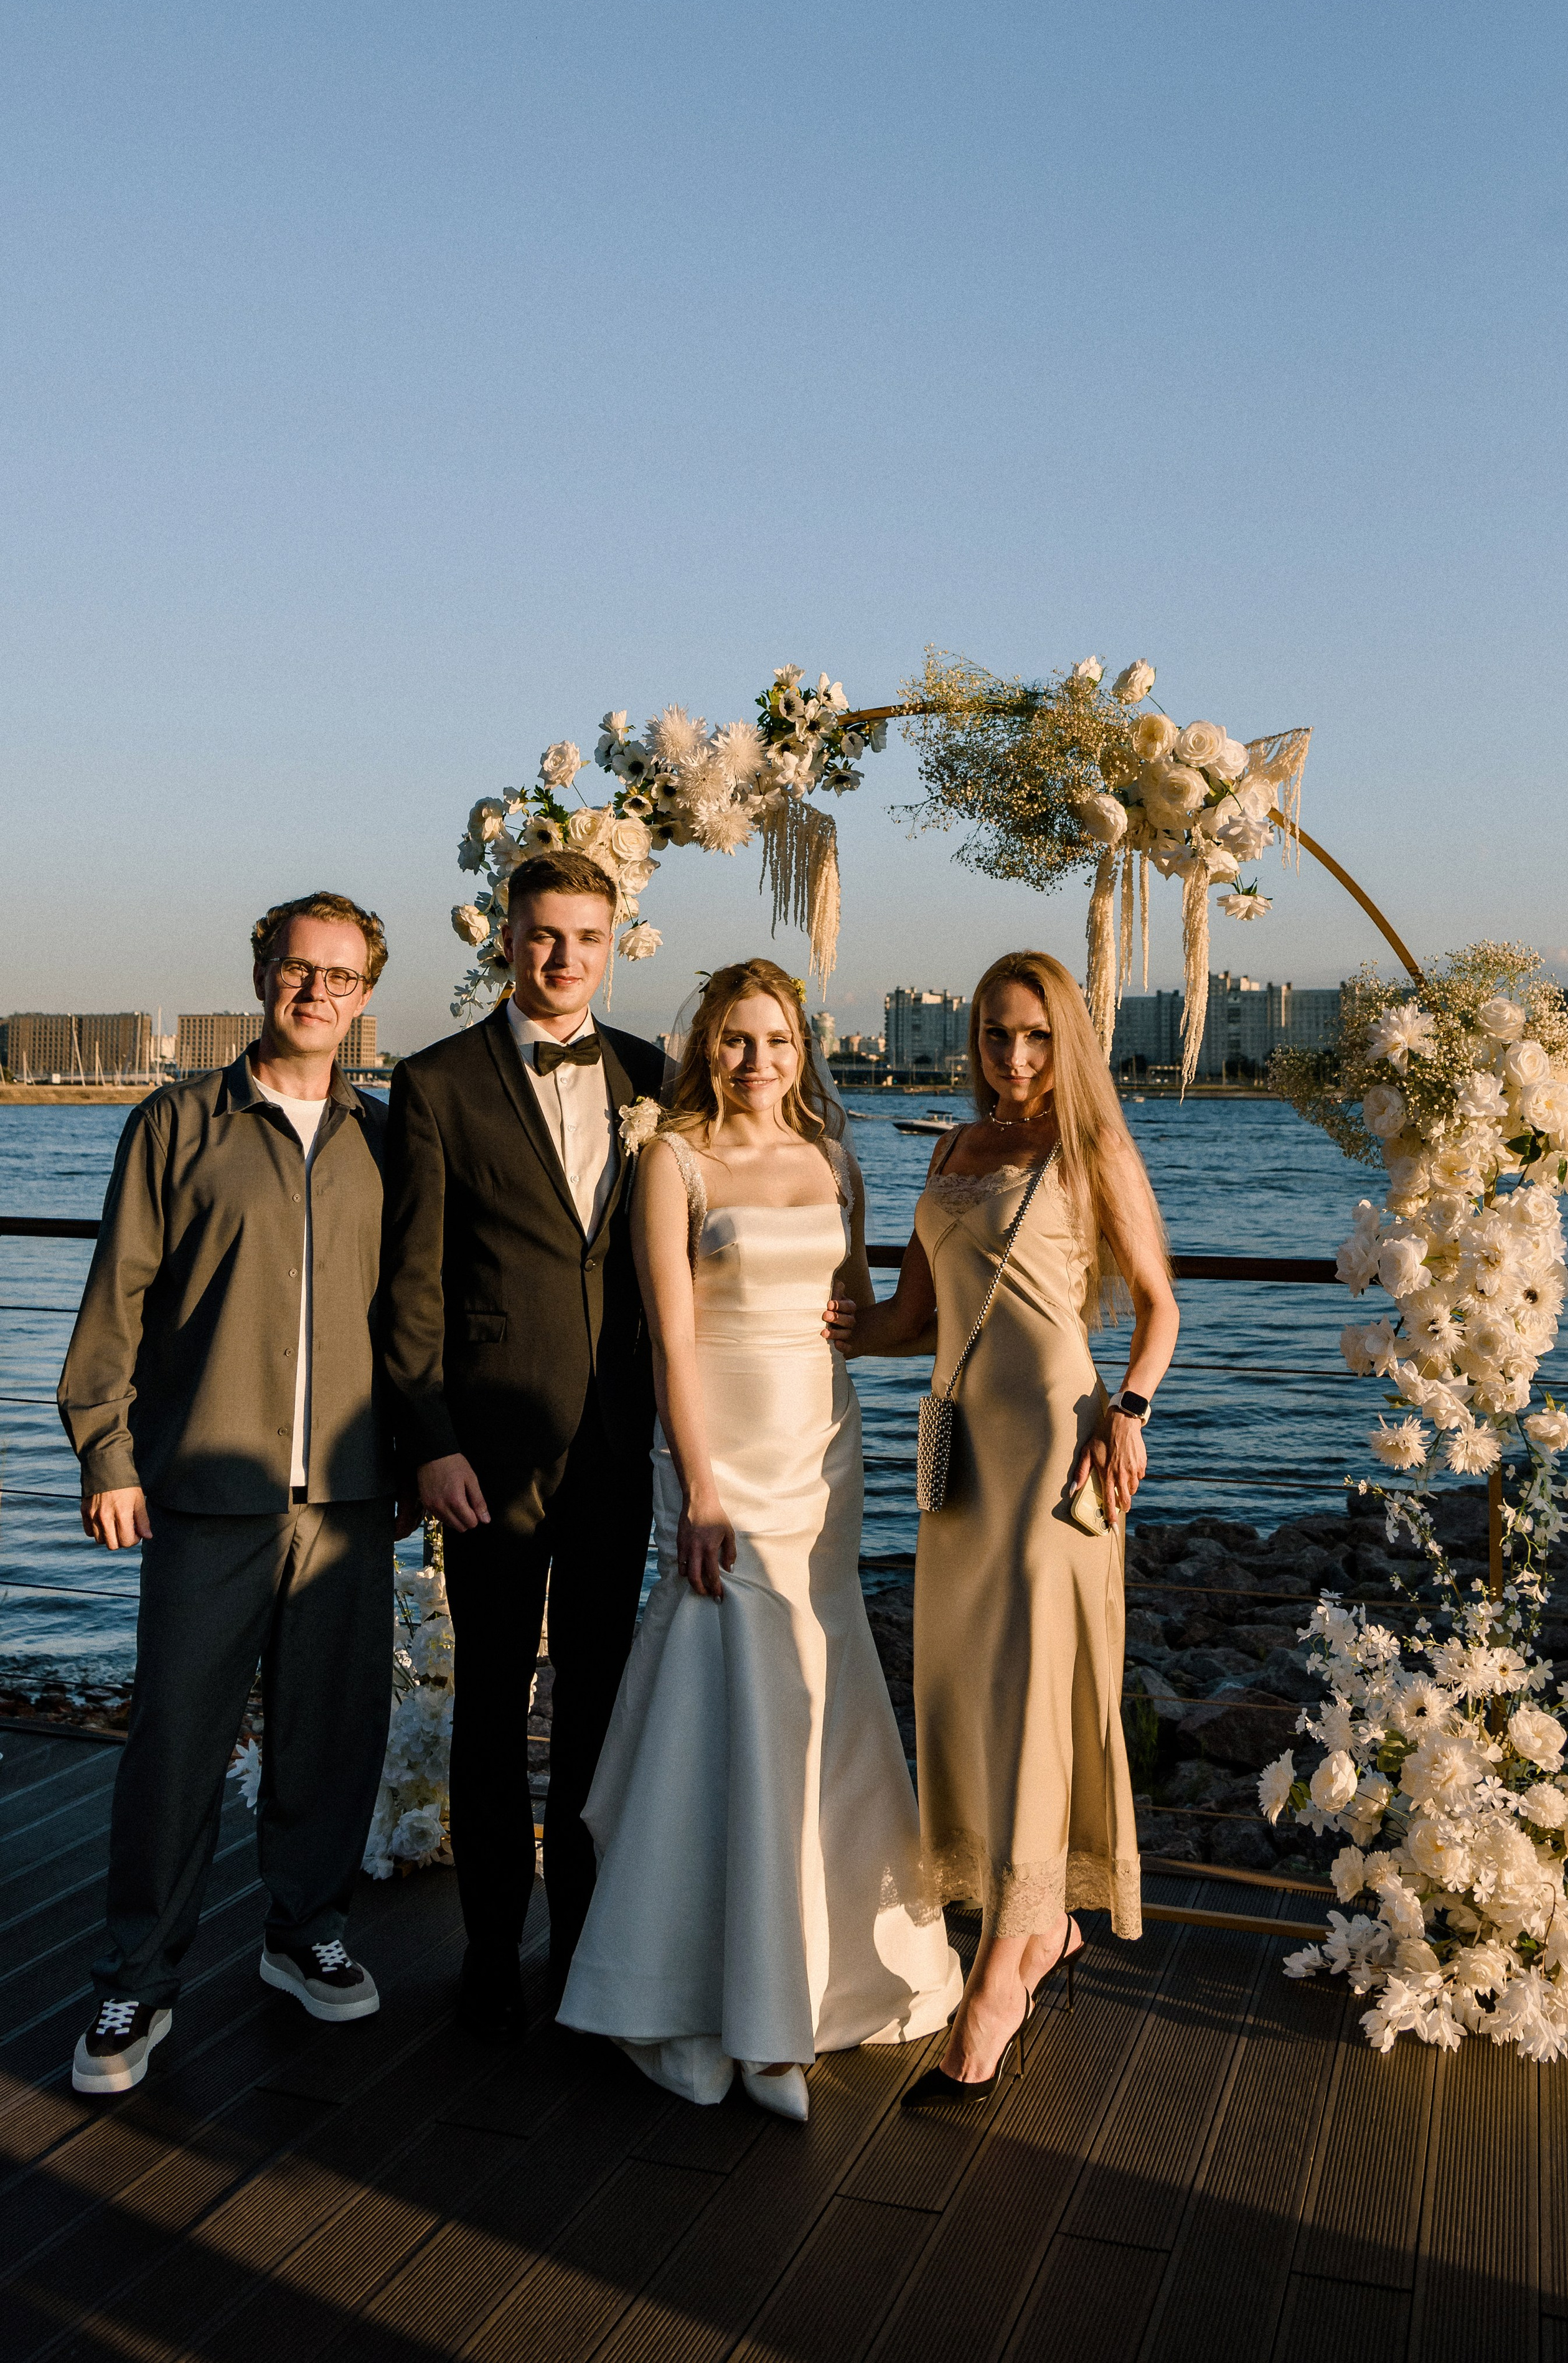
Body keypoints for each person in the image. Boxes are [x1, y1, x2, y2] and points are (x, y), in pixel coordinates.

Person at [556, 961, 962, 2118]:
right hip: (722, 1451)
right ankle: (695, 1998)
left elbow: (855, 1304)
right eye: (735, 1041)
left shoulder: (833, 1157)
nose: (756, 1062)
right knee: (722, 1696)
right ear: (705, 1049)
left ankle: (806, 1986)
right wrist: (697, 1488)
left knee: (819, 1698)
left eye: (776, 1041)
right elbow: (668, 1348)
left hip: (823, 1446)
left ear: (802, 1047)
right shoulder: (672, 1159)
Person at [57, 893, 396, 2097]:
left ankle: (305, 1931)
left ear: (367, 995)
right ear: (262, 973)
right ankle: (133, 1982)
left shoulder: (385, 1137)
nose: (317, 992)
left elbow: (411, 1322)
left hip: (352, 1497)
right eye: (299, 969)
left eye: (341, 976)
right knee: (175, 1743)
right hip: (208, 1485)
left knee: (333, 1731)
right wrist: (108, 1452)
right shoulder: (174, 1124)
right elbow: (119, 1302)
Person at [845, 949, 1178, 2105]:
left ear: (1069, 1039)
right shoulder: (948, 1150)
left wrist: (1130, 1409)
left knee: (1037, 1696)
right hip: (958, 1460)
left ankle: (1001, 1972)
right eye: (997, 1035)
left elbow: (1159, 1305)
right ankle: (1038, 1926)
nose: (1018, 1057)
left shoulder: (1095, 1150)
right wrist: (799, 1321)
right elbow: (907, 1320)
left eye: (1038, 1036)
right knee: (965, 1688)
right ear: (973, 1038)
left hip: (1057, 1456)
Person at [381, 852, 668, 2039]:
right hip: (486, 1455)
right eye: (544, 936)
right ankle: (494, 1940)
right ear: (507, 938)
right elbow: (411, 1289)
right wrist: (429, 1441)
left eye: (587, 938)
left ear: (614, 943)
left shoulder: (657, 1075)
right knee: (493, 1699)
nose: (564, 959)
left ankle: (591, 1933)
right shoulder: (437, 1082)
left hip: (615, 1443)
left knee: (600, 1697)